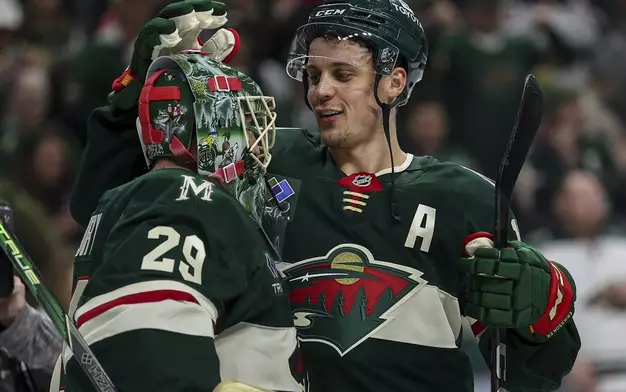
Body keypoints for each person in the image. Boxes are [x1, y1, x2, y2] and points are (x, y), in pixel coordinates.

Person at [68, 0, 581, 391]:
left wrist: (541, 313)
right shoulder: (266, 159)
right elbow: (115, 209)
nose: (319, 92)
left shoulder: (465, 196)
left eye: (342, 75)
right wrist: (136, 94)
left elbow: (527, 375)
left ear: (393, 83)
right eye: (313, 76)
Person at [50, 52, 305, 392]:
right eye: (242, 121)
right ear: (209, 126)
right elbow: (149, 354)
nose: (255, 141)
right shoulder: (186, 199)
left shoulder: (155, 198)